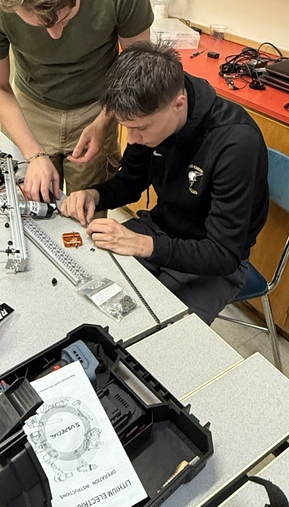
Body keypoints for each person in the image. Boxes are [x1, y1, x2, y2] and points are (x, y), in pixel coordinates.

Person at [61, 42, 270, 325]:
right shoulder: (151, 109)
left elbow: (224, 254)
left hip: (213, 260)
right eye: (126, 127)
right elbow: (131, 183)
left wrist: (144, 245)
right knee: (84, 285)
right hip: (160, 229)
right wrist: (95, 195)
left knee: (163, 333)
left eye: (140, 128)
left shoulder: (236, 144)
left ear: (178, 104)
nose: (132, 139)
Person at [0, 0, 153, 202]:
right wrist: (34, 154)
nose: (55, 35)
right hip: (30, 110)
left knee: (86, 211)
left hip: (98, 106)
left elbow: (136, 73)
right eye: (40, 24)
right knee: (32, 207)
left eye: (65, 18)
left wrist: (104, 121)